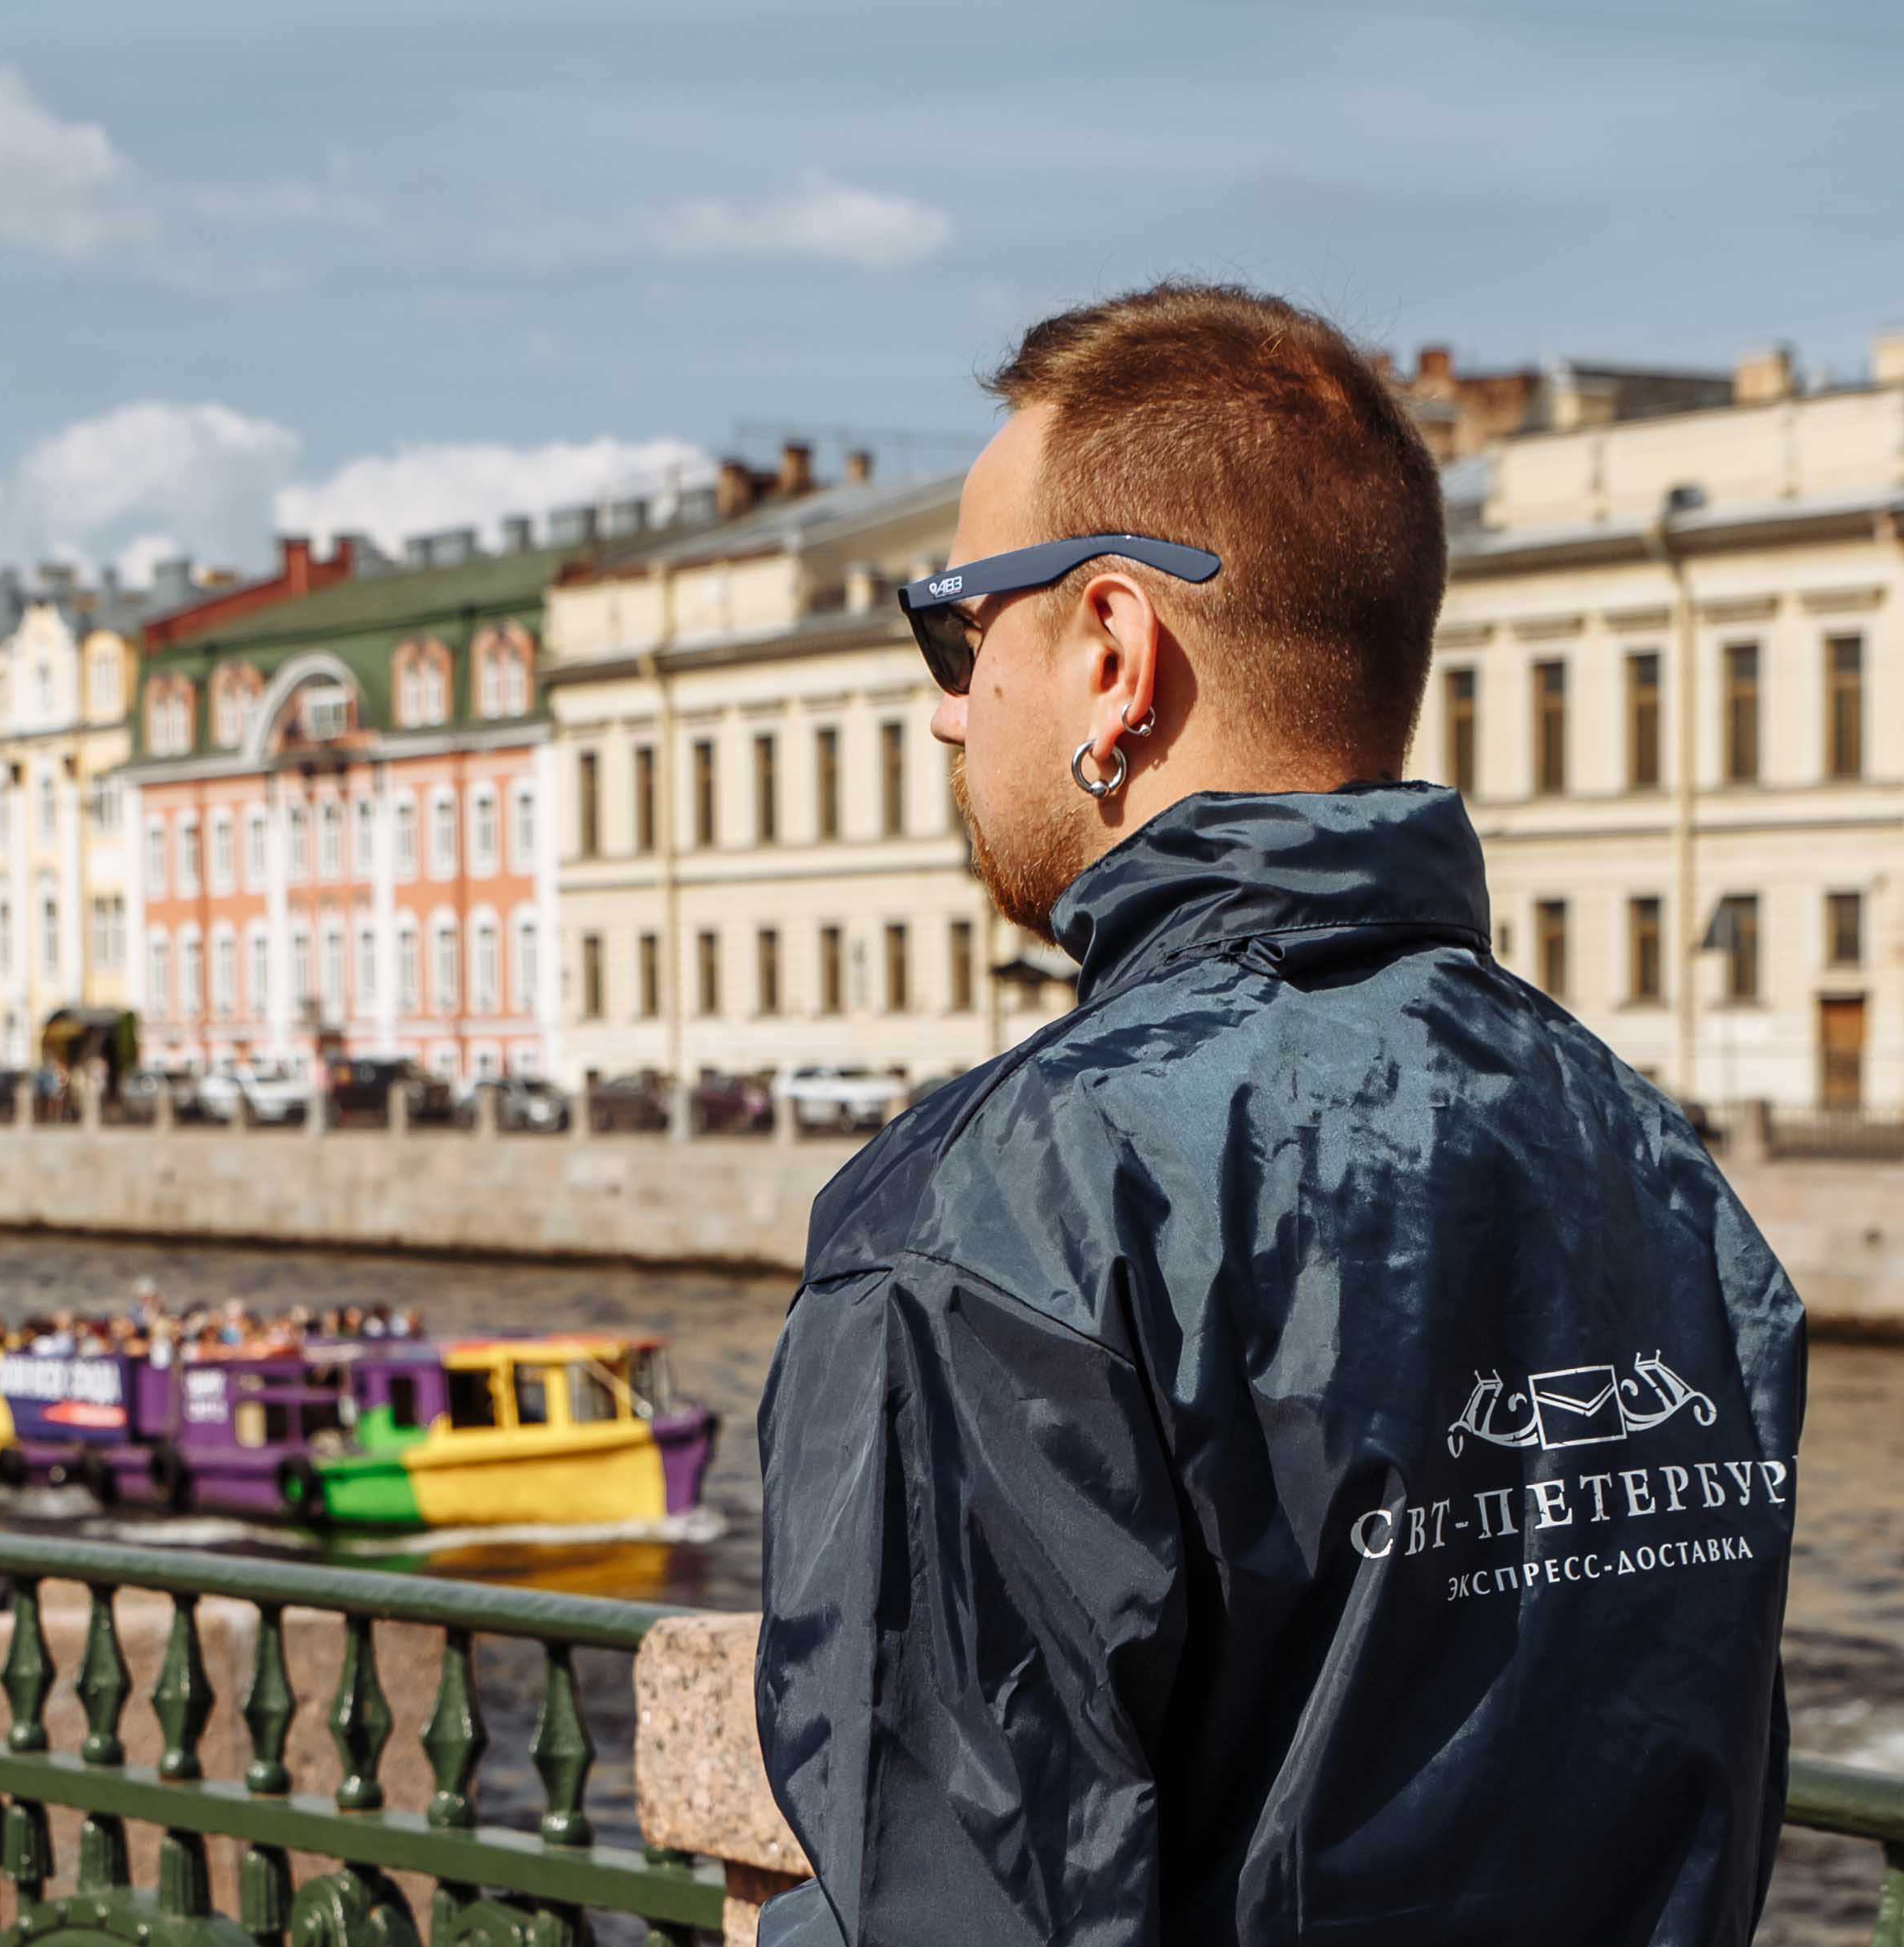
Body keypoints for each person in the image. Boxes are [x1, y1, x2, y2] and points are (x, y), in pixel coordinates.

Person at [751, 284, 1806, 1947]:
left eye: (958, 630)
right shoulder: (1651, 1160)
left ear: (1111, 651)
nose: (951, 705)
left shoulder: (1001, 1214)